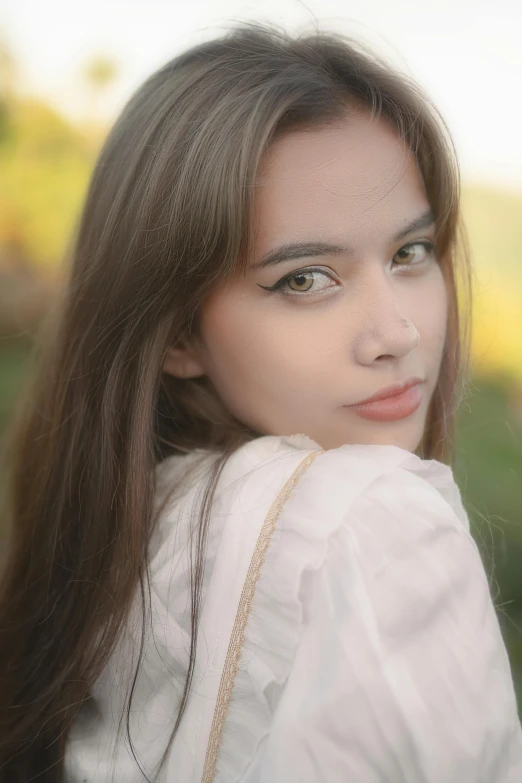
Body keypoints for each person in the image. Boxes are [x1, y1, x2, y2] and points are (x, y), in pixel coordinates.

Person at [0, 20, 521, 783]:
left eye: (410, 253)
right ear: (176, 331)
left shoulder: (131, 525)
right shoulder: (376, 524)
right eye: (305, 278)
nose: (398, 332)